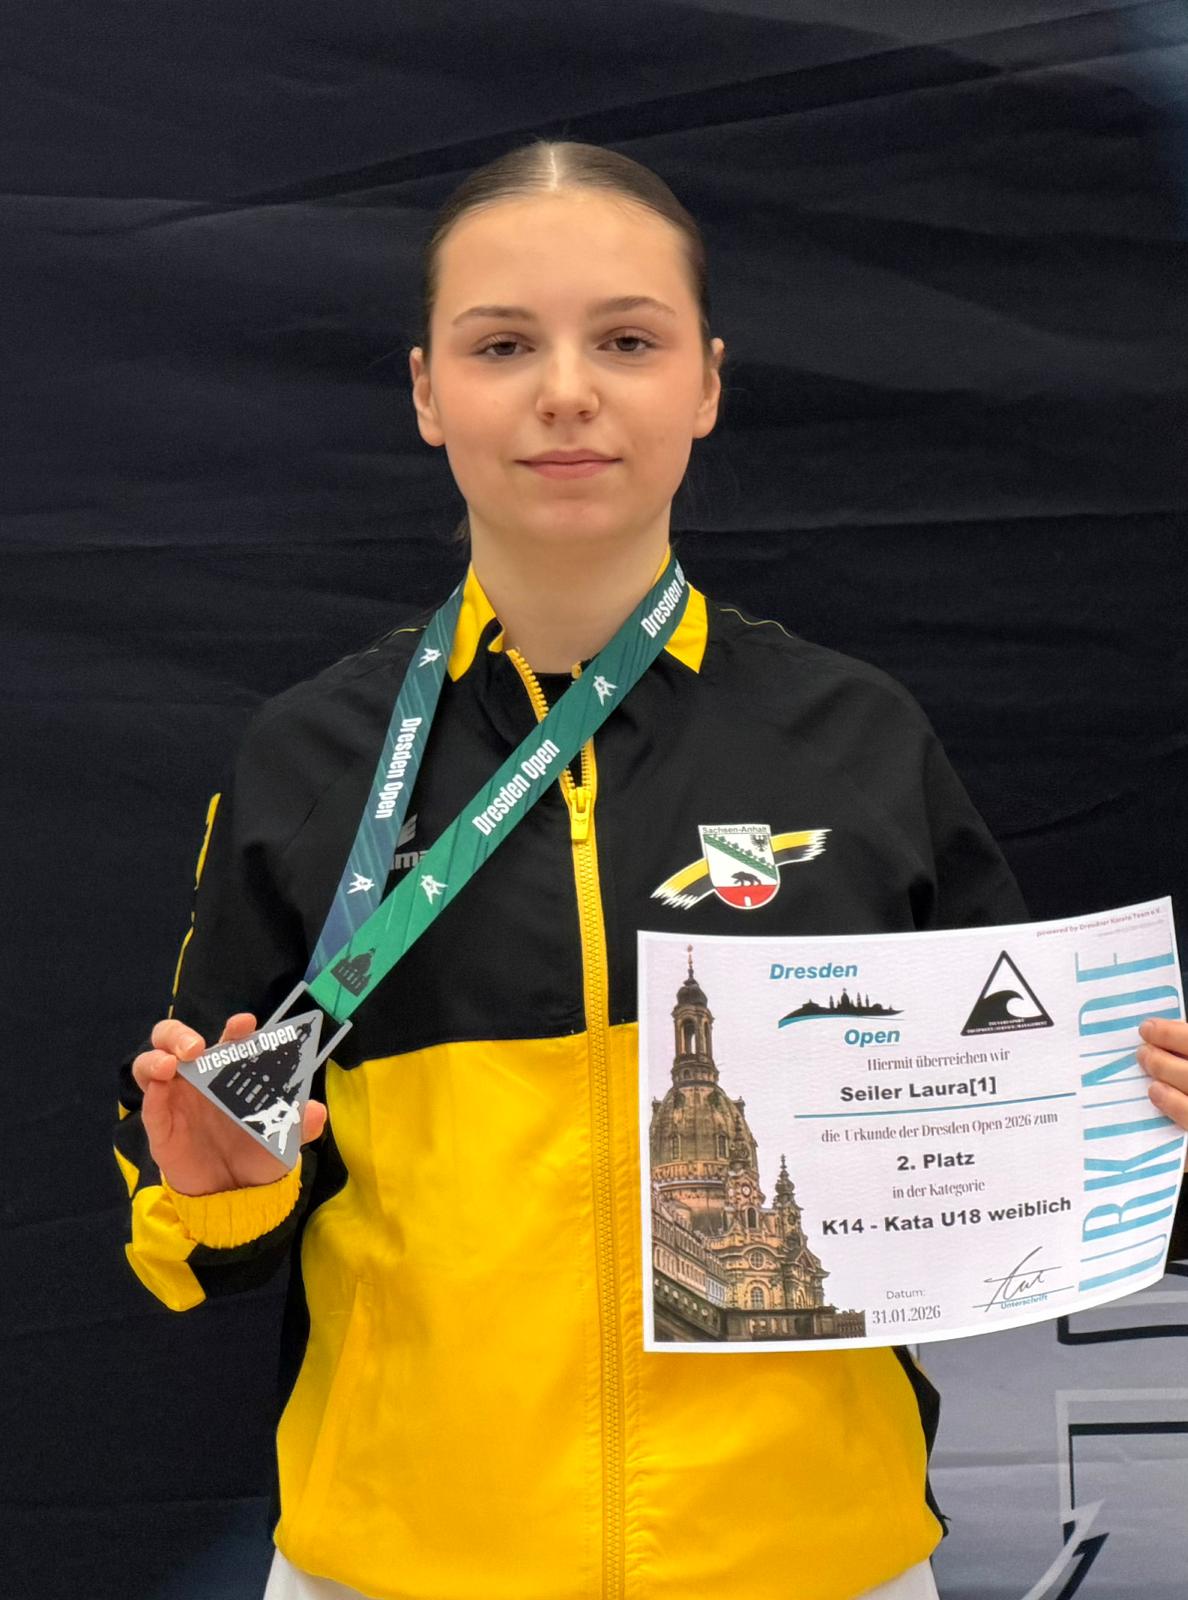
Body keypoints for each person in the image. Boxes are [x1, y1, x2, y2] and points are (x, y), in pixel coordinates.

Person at [115, 139, 1188, 1600]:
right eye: (503, 345)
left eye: (627, 340)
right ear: (426, 391)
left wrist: (1141, 1125)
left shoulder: (854, 740)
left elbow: (1009, 1146)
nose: (567, 390)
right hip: (403, 1565)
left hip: (812, 1560)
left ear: (707, 384)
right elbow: (204, 1206)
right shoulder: (311, 761)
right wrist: (221, 1192)